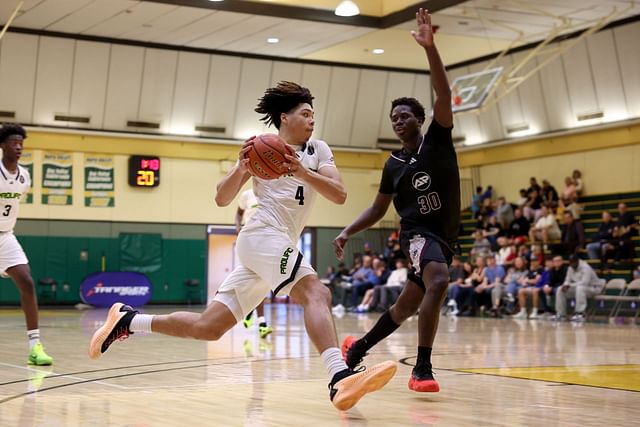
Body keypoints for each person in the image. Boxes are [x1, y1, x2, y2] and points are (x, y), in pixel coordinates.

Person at [89, 81, 397, 411]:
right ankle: (339, 377)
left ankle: (128, 320)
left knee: (209, 328)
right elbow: (222, 198)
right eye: (305, 114)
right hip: (261, 235)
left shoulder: (317, 150)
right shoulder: (259, 148)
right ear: (284, 118)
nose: (311, 121)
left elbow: (339, 194)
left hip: (275, 244)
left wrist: (302, 172)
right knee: (317, 293)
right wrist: (241, 167)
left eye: (313, 115)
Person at [333, 9, 459, 393]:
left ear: (421, 119)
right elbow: (377, 209)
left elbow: (441, 92)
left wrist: (430, 47)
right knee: (439, 280)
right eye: (394, 118)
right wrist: (346, 231)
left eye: (405, 115)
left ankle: (357, 349)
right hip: (418, 235)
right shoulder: (393, 164)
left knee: (405, 307)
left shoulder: (438, 140)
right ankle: (422, 368)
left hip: (445, 237)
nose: (398, 121)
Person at [0, 124, 53, 365]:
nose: (19, 146)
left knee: (27, 283)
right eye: (13, 142)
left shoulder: (24, 176)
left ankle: (35, 346)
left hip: (5, 236)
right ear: (3, 145)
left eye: (21, 143)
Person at [235, 188, 273, 338]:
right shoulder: (247, 194)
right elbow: (238, 213)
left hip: (267, 239)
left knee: (261, 282)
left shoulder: (274, 192)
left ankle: (250, 312)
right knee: (256, 281)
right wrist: (238, 228)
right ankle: (261, 322)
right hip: (249, 239)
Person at [554, 254, 604, 322]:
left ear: (577, 261)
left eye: (573, 262)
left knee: (580, 288)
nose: (572, 264)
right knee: (560, 289)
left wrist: (570, 285)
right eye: (570, 262)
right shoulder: (570, 268)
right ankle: (561, 314)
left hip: (593, 288)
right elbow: (567, 280)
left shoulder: (586, 267)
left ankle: (580, 313)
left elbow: (585, 282)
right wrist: (565, 285)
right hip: (579, 289)